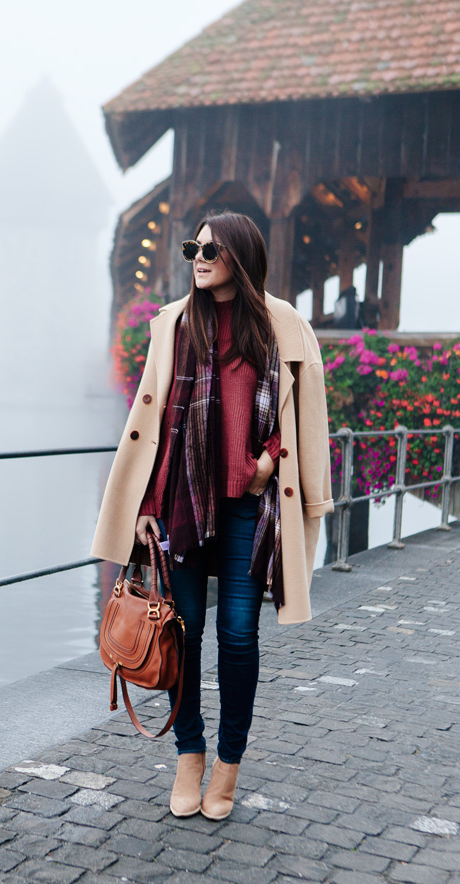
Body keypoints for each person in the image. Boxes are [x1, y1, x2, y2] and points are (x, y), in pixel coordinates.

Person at [91, 210, 333, 821]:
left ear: (241, 257)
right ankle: (189, 753)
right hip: (179, 503)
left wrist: (267, 462)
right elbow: (152, 429)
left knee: (238, 635)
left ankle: (228, 763)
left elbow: (302, 420)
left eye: (211, 249)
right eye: (192, 247)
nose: (198, 257)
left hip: (249, 506)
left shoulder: (282, 326)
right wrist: (144, 507)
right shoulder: (174, 325)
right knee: (183, 631)